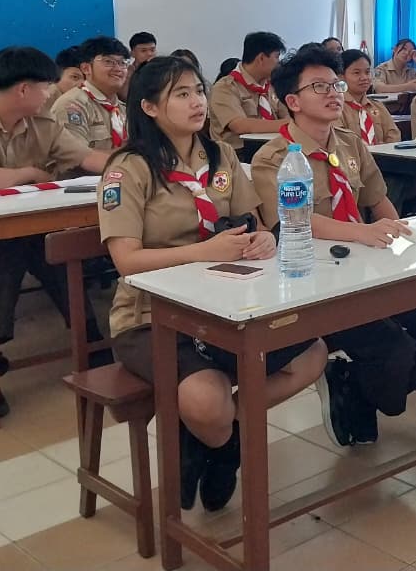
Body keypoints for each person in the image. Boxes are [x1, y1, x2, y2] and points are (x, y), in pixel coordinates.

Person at [99, 56, 327, 511]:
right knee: (205, 400)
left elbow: (255, 222)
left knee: (313, 353)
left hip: (225, 303)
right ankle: (224, 447)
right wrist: (201, 252)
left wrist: (262, 238)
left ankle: (211, 441)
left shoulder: (219, 155)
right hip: (150, 317)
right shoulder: (128, 169)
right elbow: (127, 261)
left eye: (198, 91)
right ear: (148, 107)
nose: (197, 102)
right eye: (181, 94)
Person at [250, 46, 416, 447]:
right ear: (293, 101)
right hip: (317, 281)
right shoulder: (273, 158)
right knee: (395, 349)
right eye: (319, 86)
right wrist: (361, 234)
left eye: (334, 84)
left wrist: (403, 238)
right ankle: (370, 390)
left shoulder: (349, 143)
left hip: (367, 267)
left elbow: (377, 200)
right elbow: (293, 219)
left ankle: (355, 387)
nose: (334, 92)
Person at [0, 46, 109, 346]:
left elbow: (88, 158)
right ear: (24, 89)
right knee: (21, 245)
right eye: (45, 89)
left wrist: (137, 167)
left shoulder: (42, 124)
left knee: (52, 245)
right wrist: (31, 173)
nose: (48, 96)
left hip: (22, 226)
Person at [208, 32, 288, 150]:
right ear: (261, 58)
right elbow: (239, 125)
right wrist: (288, 125)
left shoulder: (272, 86)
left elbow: (287, 114)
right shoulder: (225, 87)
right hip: (237, 155)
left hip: (273, 148)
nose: (278, 63)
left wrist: (292, 122)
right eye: (276, 57)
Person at [51, 36, 130, 153]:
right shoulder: (72, 105)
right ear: (86, 68)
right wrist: (130, 155)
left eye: (122, 63)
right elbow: (75, 159)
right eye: (109, 62)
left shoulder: (123, 109)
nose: (118, 69)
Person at [339, 49, 400, 145]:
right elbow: (341, 142)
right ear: (341, 76)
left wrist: (384, 151)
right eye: (356, 73)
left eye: (367, 72)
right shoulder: (337, 108)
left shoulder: (378, 106)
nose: (364, 78)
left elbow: (394, 135)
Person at [44, 45, 86, 112]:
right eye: (75, 77)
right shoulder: (44, 99)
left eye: (87, 79)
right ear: (57, 74)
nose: (82, 84)